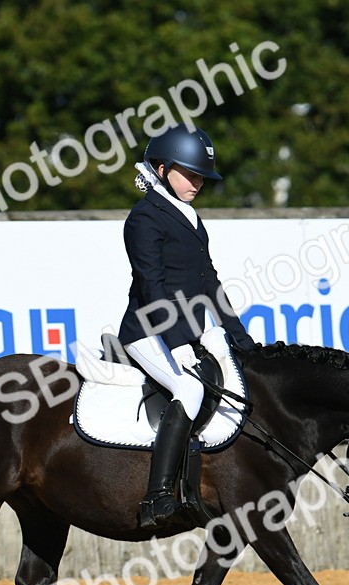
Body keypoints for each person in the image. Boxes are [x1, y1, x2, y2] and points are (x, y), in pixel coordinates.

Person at [116, 124, 257, 529]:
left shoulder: (191, 219)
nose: (197, 183)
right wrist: (176, 341)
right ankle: (156, 496)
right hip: (147, 331)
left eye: (202, 177)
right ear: (161, 169)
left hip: (187, 331)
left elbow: (210, 283)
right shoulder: (144, 219)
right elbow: (152, 285)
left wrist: (241, 337)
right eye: (190, 174)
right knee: (190, 387)